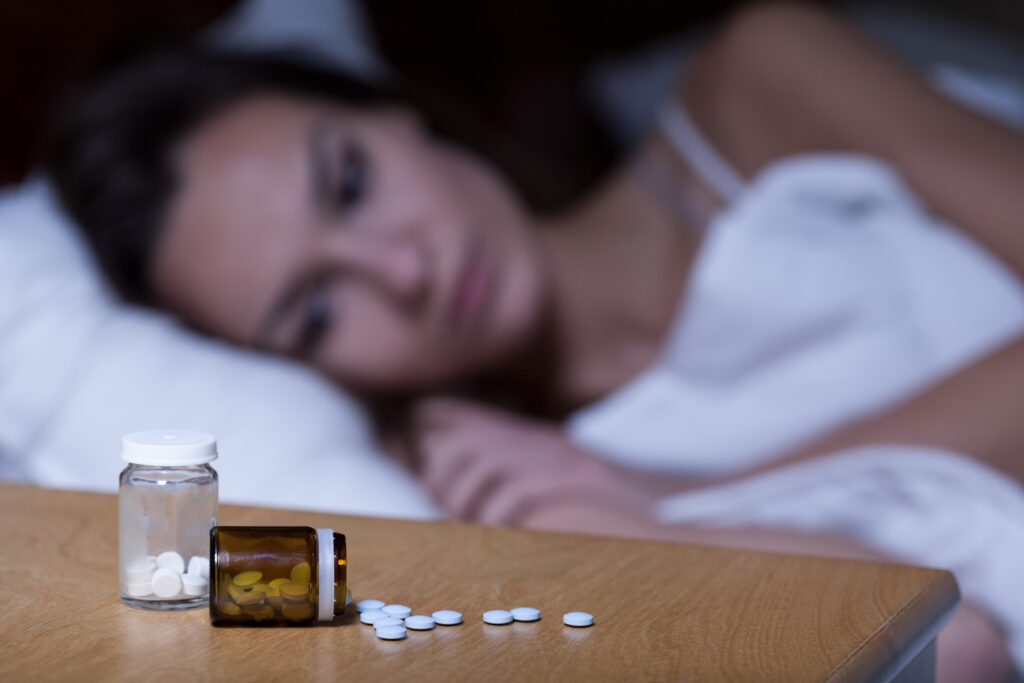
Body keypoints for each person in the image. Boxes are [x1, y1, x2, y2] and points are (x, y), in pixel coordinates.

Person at [47, 2, 1022, 677]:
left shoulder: (759, 83)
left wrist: (673, 501)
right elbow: (244, 582)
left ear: (397, 116)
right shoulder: (500, 492)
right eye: (316, 310)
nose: (402, 269)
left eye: (349, 181)